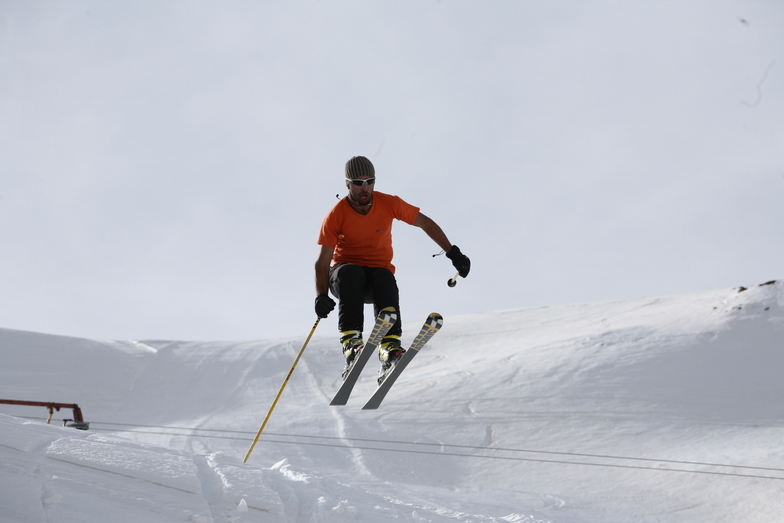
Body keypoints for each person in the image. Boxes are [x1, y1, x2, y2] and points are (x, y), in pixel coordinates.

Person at [314, 155, 470, 381]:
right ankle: (351, 345)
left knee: (384, 276)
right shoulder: (336, 214)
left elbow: (424, 222)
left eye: (370, 181)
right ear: (348, 184)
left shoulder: (388, 203)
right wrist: (321, 296)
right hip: (345, 279)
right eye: (358, 183)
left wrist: (453, 253)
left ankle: (389, 348)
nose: (365, 187)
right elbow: (322, 261)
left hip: (375, 280)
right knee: (352, 272)